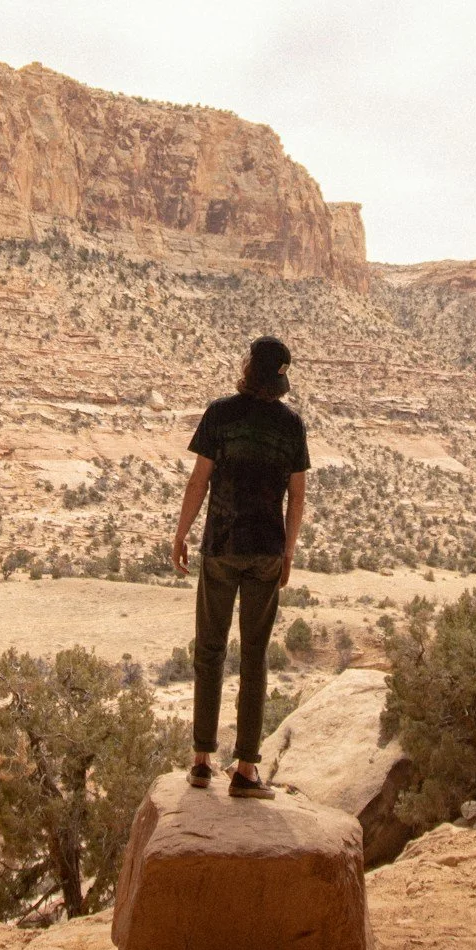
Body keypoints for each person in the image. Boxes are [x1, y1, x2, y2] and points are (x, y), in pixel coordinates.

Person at [170, 335, 309, 798]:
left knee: (209, 652)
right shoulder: (292, 426)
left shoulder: (220, 413)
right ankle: (246, 769)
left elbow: (199, 481)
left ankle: (201, 761)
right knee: (254, 658)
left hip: (221, 546)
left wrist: (181, 533)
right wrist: (289, 552)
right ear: (282, 377)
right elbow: (297, 498)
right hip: (266, 551)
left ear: (250, 368)